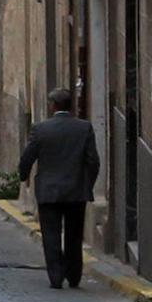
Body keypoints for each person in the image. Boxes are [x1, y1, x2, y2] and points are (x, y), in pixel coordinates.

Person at [18, 88, 101, 290]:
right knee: (74, 234)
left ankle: (55, 277)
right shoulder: (84, 128)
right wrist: (87, 184)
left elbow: (27, 157)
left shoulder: (41, 129)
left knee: (51, 235)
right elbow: (93, 161)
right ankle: (74, 276)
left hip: (49, 191)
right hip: (76, 191)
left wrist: (23, 176)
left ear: (53, 105)